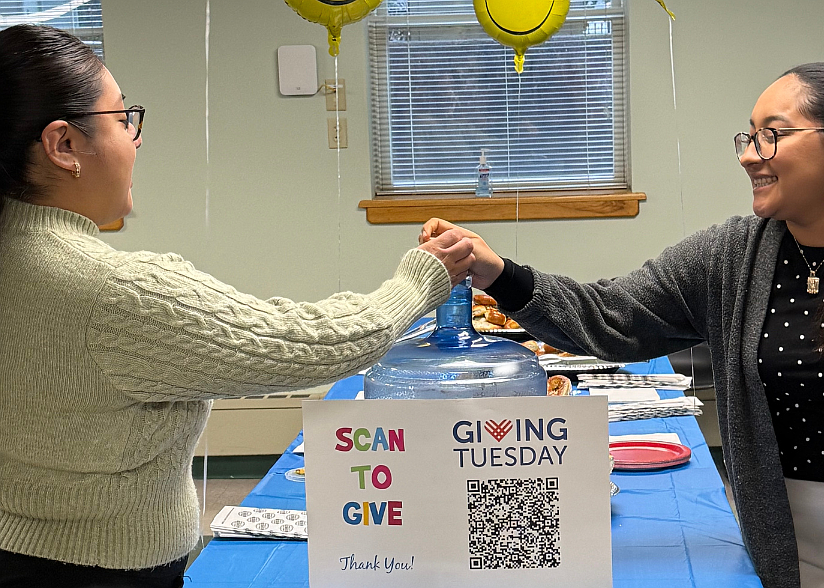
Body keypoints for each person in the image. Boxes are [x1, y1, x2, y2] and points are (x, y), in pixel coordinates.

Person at [421, 62, 824, 588]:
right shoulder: (731, 256)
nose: (747, 155)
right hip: (783, 533)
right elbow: (612, 316)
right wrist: (499, 274)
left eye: (770, 136)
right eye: (748, 136)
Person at [0, 24, 474, 588]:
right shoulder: (112, 293)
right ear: (64, 145)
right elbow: (315, 342)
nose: (136, 138)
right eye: (123, 118)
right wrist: (422, 280)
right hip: (101, 572)